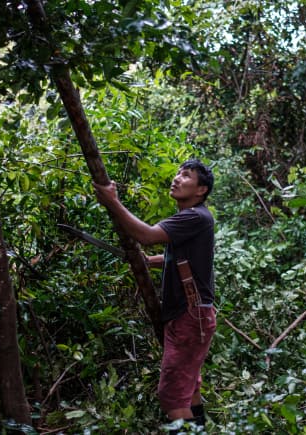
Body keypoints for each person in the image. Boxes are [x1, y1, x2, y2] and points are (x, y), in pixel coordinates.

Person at [93, 159, 216, 430]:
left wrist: (113, 201)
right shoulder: (197, 218)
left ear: (201, 190)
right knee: (188, 385)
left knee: (172, 396)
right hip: (193, 316)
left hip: (188, 317)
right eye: (178, 174)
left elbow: (147, 235)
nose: (176, 179)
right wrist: (151, 261)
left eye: (186, 176)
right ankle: (201, 429)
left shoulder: (194, 216)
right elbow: (184, 258)